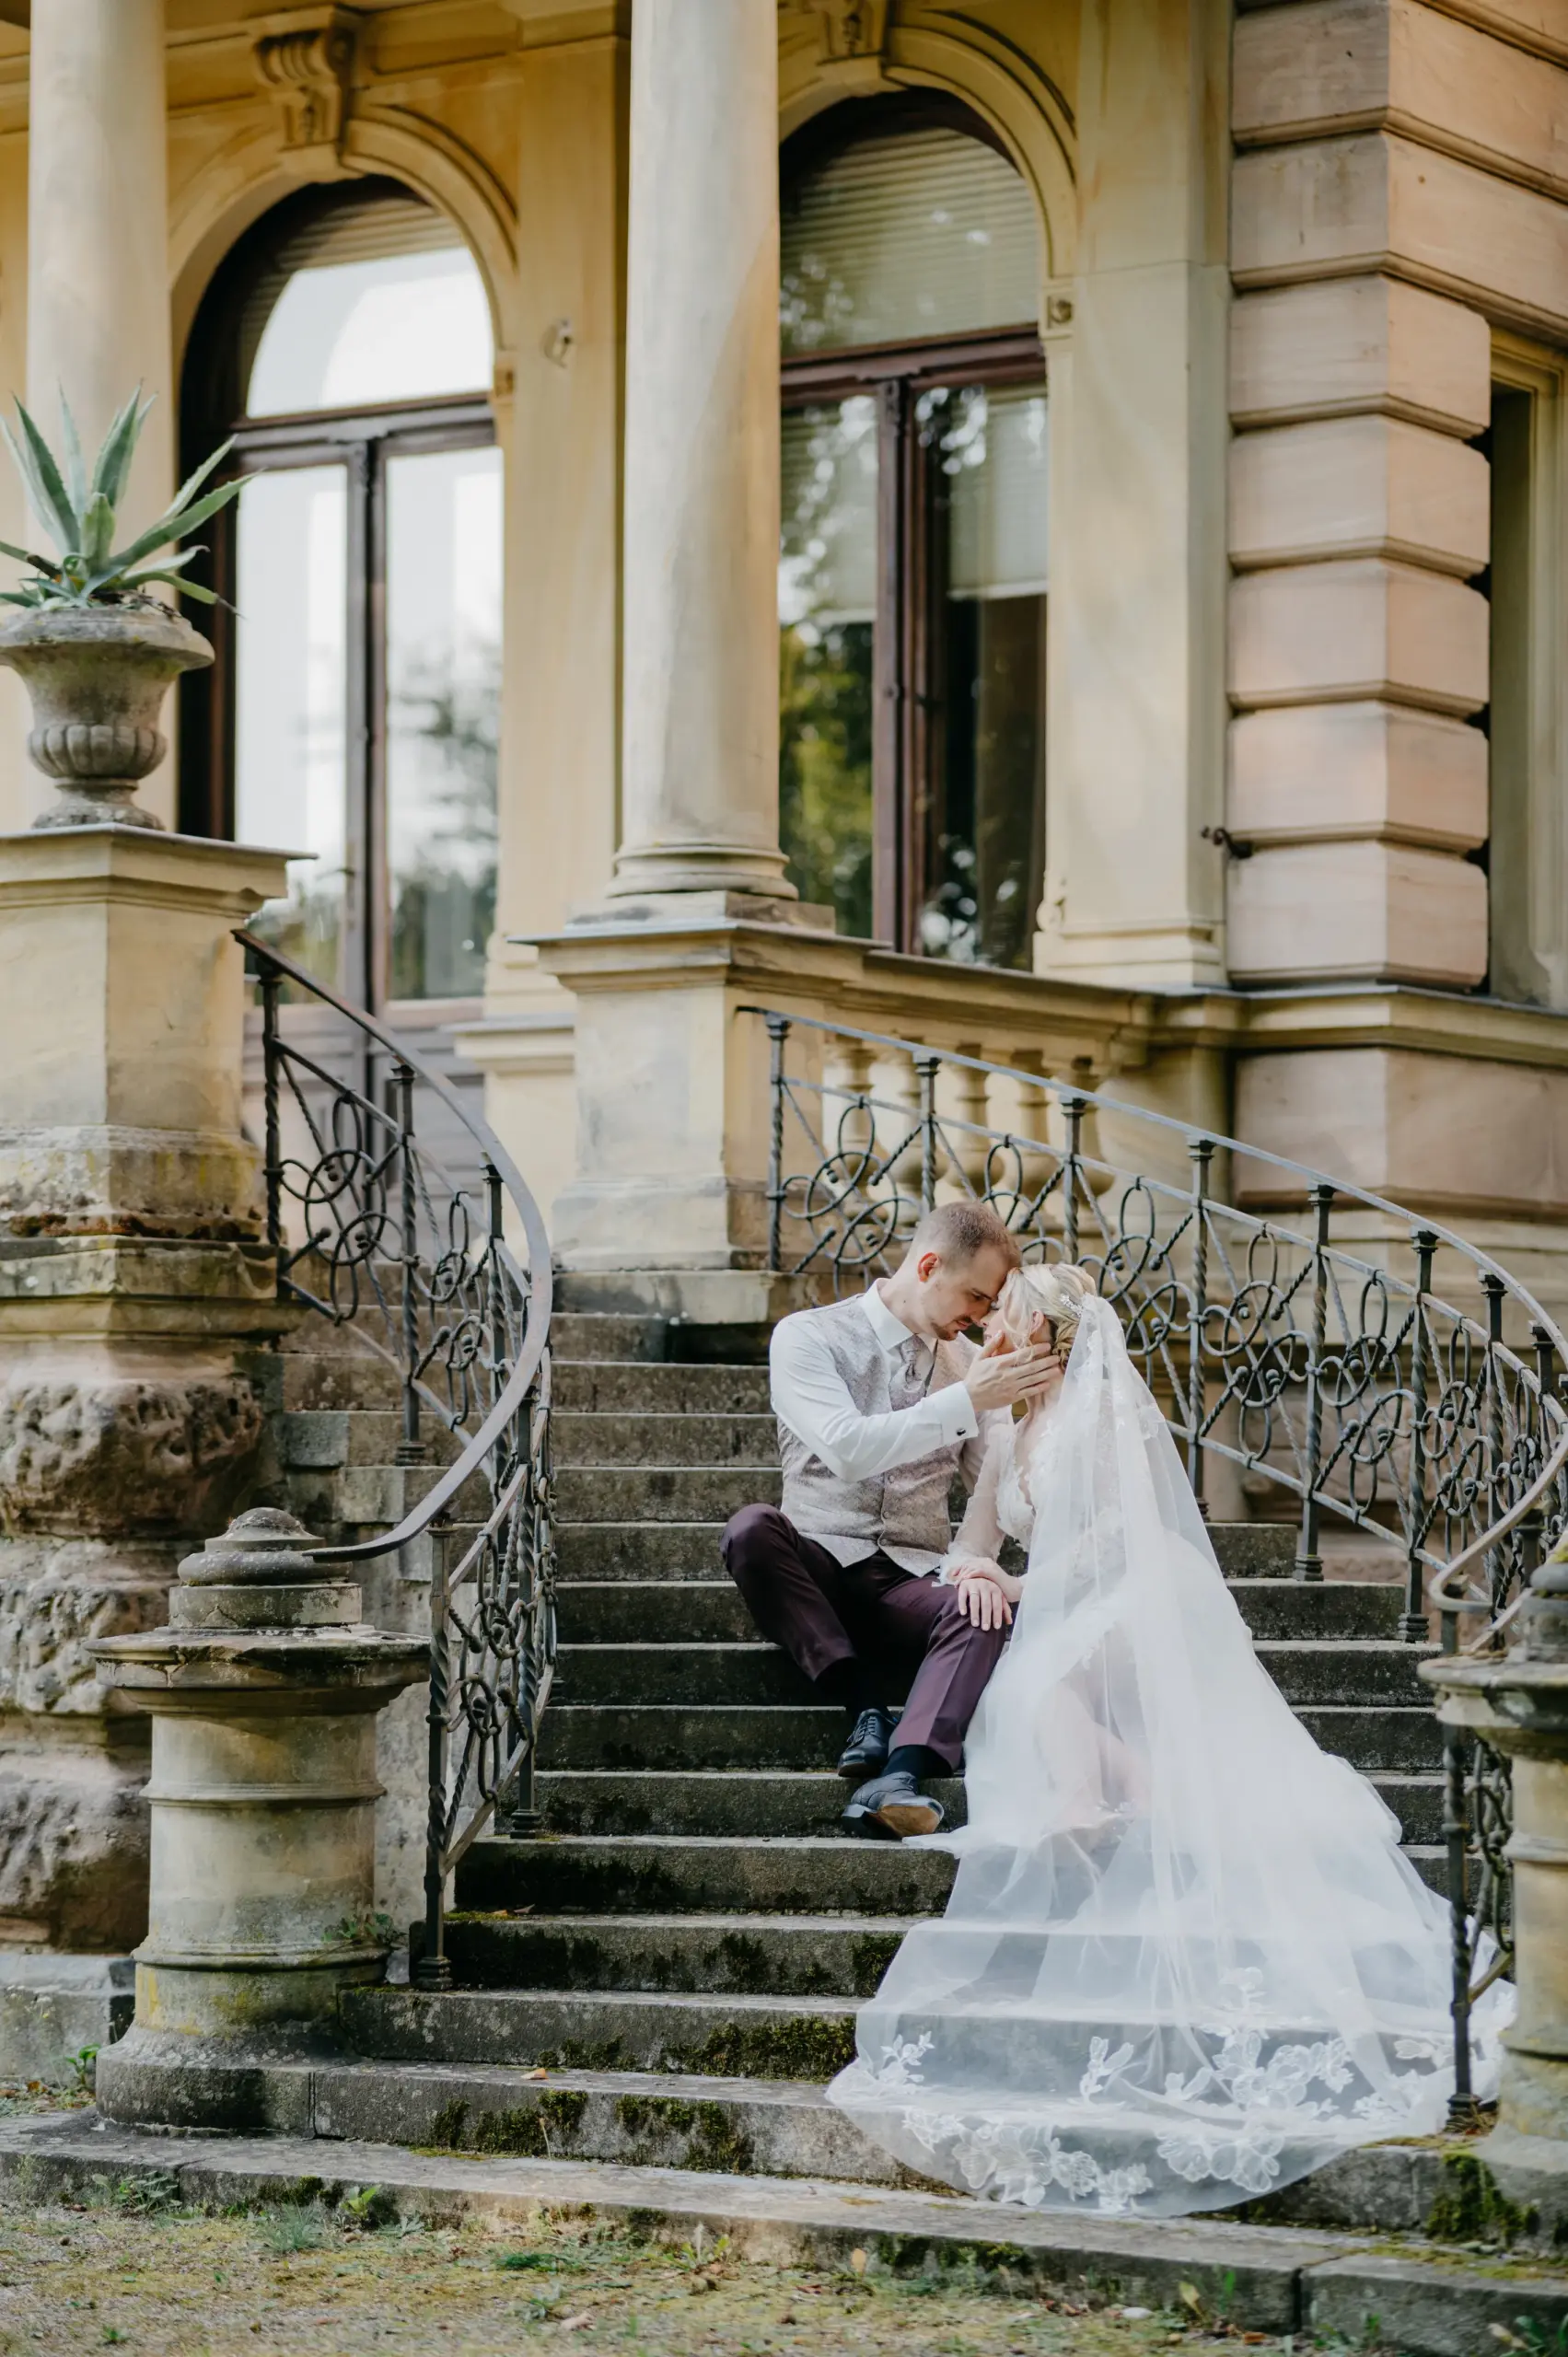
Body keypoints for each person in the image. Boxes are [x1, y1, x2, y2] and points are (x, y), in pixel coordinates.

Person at [827, 1261, 1512, 2217]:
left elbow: (1118, 1543)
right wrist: (976, 1571)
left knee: (1046, 1659)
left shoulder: (1102, 1415)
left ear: (1047, 1337)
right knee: (1024, 1669)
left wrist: (1024, 1589)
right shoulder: (998, 1421)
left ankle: (1097, 1792)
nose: (988, 1336)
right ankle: (1136, 1785)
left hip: (1137, 1597)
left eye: (1005, 1322)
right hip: (1059, 1602)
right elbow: (974, 1533)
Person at [720, 1202, 1064, 1840]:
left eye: (990, 1305)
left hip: (909, 1576)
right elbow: (846, 1447)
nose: (981, 1316)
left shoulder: (970, 1364)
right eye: (974, 1296)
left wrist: (1046, 1418)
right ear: (928, 1266)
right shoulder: (807, 1336)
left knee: (981, 1603)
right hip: (816, 1566)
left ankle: (901, 1774)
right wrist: (966, 1399)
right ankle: (863, 1707)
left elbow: (997, 1491)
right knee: (749, 1530)